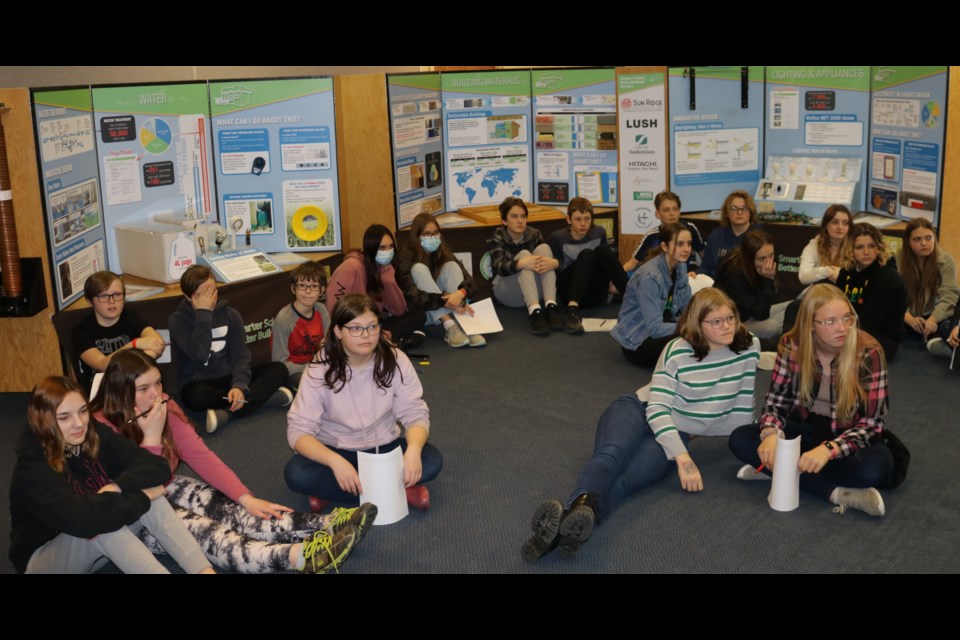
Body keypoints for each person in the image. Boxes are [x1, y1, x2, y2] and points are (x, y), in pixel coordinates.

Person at [521, 289, 760, 561]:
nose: (727, 325)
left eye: (731, 317)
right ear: (697, 324)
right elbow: (657, 408)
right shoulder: (678, 351)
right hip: (639, 409)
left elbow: (742, 401)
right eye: (716, 321)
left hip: (676, 431)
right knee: (610, 458)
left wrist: (753, 437)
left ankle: (558, 532)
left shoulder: (749, 346)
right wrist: (682, 457)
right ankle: (572, 520)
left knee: (625, 483)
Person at [91, 349, 371, 573]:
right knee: (211, 534)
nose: (156, 395)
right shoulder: (102, 428)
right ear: (121, 392)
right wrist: (151, 439)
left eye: (158, 384)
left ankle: (324, 524)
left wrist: (245, 497)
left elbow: (200, 454)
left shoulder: (163, 404)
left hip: (168, 485)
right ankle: (301, 557)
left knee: (235, 510)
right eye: (144, 389)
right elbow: (141, 482)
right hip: (133, 511)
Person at [9, 376, 214, 574]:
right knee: (103, 525)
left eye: (82, 411)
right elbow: (83, 519)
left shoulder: (92, 432)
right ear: (43, 421)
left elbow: (156, 467)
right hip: (45, 559)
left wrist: (118, 487)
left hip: (91, 537)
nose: (79, 423)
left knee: (145, 502)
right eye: (64, 417)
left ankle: (204, 570)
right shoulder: (32, 468)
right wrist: (143, 497)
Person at [729, 284, 897, 517]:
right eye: (830, 322)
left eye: (847, 318)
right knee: (740, 438)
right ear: (810, 325)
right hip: (806, 428)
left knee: (876, 469)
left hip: (845, 434)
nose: (842, 328)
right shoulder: (792, 345)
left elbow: (872, 423)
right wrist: (770, 434)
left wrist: (829, 449)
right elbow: (777, 402)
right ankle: (835, 492)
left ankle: (778, 471)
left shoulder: (868, 351)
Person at [284, 294, 443, 512]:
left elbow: (415, 413)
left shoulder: (395, 359)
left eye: (372, 327)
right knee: (296, 473)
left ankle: (337, 494)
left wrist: (413, 451)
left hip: (384, 448)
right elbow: (298, 431)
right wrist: (335, 462)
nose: (366, 335)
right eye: (356, 328)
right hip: (337, 450)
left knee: (431, 459)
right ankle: (398, 490)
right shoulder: (319, 369)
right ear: (338, 332)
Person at [168, 265, 292, 433]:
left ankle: (227, 411)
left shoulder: (231, 314)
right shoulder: (177, 320)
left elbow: (241, 357)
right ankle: (256, 401)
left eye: (212, 290)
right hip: (200, 381)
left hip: (229, 378)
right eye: (201, 295)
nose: (209, 298)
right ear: (188, 297)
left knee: (279, 369)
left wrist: (239, 386)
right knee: (194, 397)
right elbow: (200, 354)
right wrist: (203, 314)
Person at [326, 224, 428, 350]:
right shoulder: (349, 268)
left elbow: (399, 310)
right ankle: (388, 345)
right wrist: (373, 331)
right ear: (371, 249)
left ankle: (382, 345)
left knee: (418, 314)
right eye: (382, 248)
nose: (388, 251)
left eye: (391, 247)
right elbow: (333, 312)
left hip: (372, 324)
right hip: (350, 328)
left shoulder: (381, 268)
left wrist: (388, 279)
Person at [397, 213, 483, 348]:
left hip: (447, 307)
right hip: (423, 313)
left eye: (435, 232)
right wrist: (448, 302)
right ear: (417, 237)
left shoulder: (443, 252)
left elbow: (470, 282)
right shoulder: (406, 256)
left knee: (452, 266)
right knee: (419, 268)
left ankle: (463, 324)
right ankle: (450, 327)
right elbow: (413, 296)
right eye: (426, 234)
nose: (432, 237)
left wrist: (461, 293)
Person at [611, 223, 692, 367]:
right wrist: (690, 327)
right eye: (679, 244)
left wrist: (699, 322)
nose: (686, 249)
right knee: (690, 341)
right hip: (638, 341)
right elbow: (655, 329)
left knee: (705, 335)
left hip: (665, 324)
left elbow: (687, 306)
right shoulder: (650, 277)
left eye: (689, 244)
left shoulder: (681, 265)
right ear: (665, 246)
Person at [70, 271, 165, 392]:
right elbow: (102, 365)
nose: (112, 301)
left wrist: (131, 366)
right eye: (103, 296)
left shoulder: (132, 318)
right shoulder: (81, 331)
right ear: (90, 301)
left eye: (117, 294)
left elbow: (157, 343)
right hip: (105, 391)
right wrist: (134, 344)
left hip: (139, 385)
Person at [547, 197, 628, 334]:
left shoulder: (599, 232)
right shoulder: (557, 238)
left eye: (587, 219)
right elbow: (555, 273)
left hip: (594, 292)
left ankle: (633, 296)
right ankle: (571, 313)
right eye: (578, 219)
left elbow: (605, 264)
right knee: (587, 254)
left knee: (603, 251)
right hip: (569, 292)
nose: (583, 224)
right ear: (569, 220)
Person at [487, 197, 563, 335]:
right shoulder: (498, 236)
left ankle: (551, 306)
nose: (520, 221)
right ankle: (534, 312)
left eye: (523, 216)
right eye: (514, 217)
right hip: (507, 293)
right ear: (504, 221)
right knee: (524, 255)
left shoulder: (534, 234)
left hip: (533, 290)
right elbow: (499, 268)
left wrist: (555, 263)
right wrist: (519, 263)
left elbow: (548, 265)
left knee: (544, 249)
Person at [835, 223, 907, 361]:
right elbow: (835, 303)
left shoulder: (887, 278)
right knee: (796, 307)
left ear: (879, 247)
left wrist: (833, 329)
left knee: (822, 339)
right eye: (860, 247)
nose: (866, 252)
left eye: (872, 246)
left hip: (880, 338)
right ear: (850, 250)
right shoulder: (847, 271)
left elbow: (867, 324)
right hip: (849, 328)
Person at [899, 218, 959, 358]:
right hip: (905, 314)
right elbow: (893, 295)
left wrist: (933, 319)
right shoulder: (898, 259)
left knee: (950, 327)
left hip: (937, 315)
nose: (924, 243)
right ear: (908, 241)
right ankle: (941, 345)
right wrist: (906, 316)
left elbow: (949, 295)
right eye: (917, 239)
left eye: (928, 238)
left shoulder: (945, 260)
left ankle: (946, 347)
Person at [716, 229, 790, 340]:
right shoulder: (734, 273)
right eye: (762, 258)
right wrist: (767, 279)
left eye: (771, 255)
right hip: (736, 323)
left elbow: (766, 304)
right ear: (749, 258)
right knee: (771, 326)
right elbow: (761, 314)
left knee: (795, 307)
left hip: (754, 312)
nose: (768, 262)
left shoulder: (758, 265)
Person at [272, 261, 331, 389]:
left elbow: (329, 344)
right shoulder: (283, 319)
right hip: (296, 371)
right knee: (317, 386)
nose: (308, 291)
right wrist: (313, 367)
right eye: (302, 285)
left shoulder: (321, 310)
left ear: (322, 290)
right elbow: (280, 363)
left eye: (314, 286)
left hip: (319, 364)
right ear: (293, 289)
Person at [622, 191, 704, 273]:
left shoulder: (690, 228)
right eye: (666, 210)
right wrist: (617, 275)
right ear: (658, 214)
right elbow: (633, 263)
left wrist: (696, 272)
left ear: (679, 212)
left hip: (684, 276)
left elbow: (705, 257)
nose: (672, 214)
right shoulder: (651, 236)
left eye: (675, 209)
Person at [700, 190, 764, 278]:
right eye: (734, 209)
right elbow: (706, 266)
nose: (739, 212)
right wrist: (695, 274)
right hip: (717, 285)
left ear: (750, 212)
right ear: (727, 213)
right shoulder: (716, 235)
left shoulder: (759, 237)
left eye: (744, 208)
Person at [798, 204, 851, 287]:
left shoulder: (855, 246)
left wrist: (842, 274)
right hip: (819, 294)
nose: (840, 227)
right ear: (826, 225)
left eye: (845, 223)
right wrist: (827, 272)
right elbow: (803, 276)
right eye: (834, 222)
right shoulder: (815, 245)